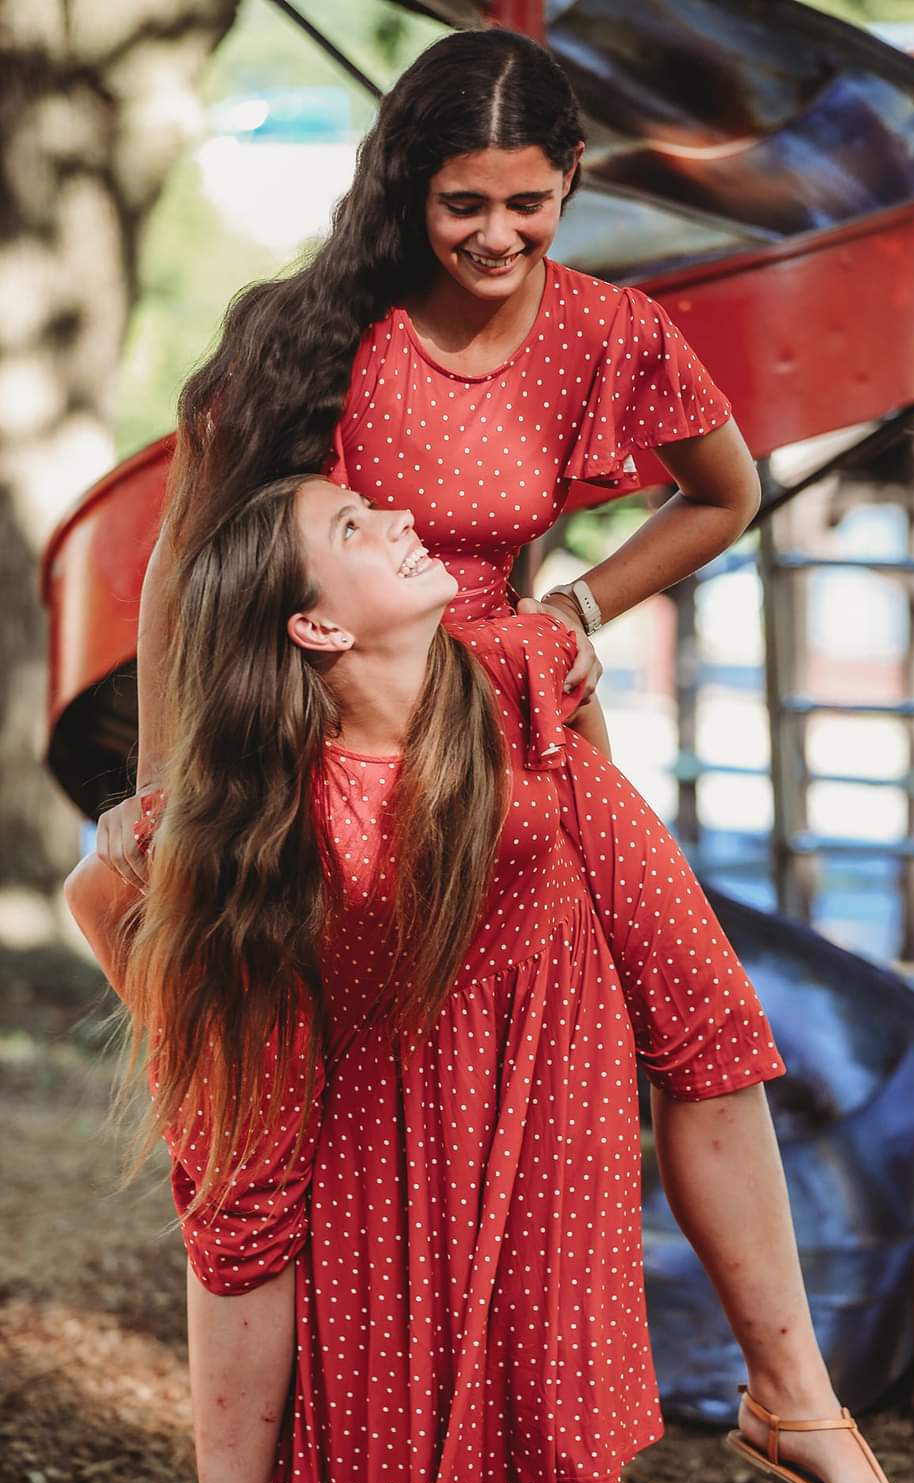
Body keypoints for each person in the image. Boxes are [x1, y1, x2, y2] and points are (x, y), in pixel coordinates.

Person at [69, 475, 914, 1483]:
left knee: (572, 1445)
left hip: (549, 1125)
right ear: (317, 626)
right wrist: (202, 1052)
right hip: (384, 1185)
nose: (402, 521)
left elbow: (594, 743)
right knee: (387, 1480)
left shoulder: (514, 670)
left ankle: (796, 1389)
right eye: (354, 529)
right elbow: (100, 894)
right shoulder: (272, 813)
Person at [94, 24, 760, 887]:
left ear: (571, 173)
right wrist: (159, 780)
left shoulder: (611, 330)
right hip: (320, 737)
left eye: (528, 204)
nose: (497, 237)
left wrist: (575, 610)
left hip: (511, 729)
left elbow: (725, 496)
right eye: (464, 204)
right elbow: (183, 557)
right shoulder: (308, 336)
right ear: (411, 186)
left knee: (606, 999)